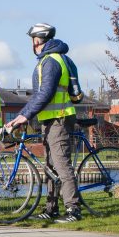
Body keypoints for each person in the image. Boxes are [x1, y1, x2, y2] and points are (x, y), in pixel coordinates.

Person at [5, 22, 82, 223]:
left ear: (37, 40)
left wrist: (24, 116)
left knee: (61, 164)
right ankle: (51, 208)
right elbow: (40, 96)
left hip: (59, 119)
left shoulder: (51, 61)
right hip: (50, 119)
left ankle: (73, 209)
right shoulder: (50, 60)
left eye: (32, 40)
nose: (31, 43)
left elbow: (45, 93)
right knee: (50, 165)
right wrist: (24, 115)